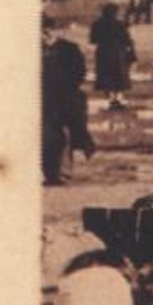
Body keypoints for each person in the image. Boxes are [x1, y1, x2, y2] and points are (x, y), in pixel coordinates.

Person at [42, 17, 93, 185]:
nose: (44, 35)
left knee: (66, 135)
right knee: (48, 136)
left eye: (47, 31)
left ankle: (63, 173)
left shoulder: (69, 49)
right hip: (45, 99)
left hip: (67, 98)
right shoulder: (32, 50)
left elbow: (80, 72)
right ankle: (50, 173)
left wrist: (68, 87)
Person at [89, 3, 137, 111]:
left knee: (106, 75)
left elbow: (93, 40)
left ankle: (111, 99)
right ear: (115, 12)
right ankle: (119, 98)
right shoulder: (120, 24)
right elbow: (127, 40)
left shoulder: (96, 24)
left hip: (103, 52)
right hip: (118, 52)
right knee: (119, 75)